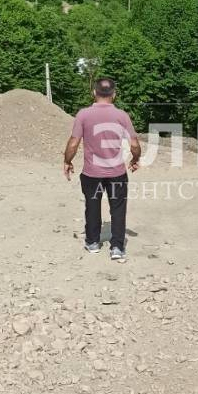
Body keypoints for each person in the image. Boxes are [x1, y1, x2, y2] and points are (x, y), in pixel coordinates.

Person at [63, 77, 141, 262]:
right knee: (118, 209)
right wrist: (135, 158)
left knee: (92, 206)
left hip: (91, 173)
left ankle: (92, 242)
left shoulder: (83, 115)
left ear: (94, 92)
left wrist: (67, 161)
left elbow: (73, 143)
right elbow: (134, 144)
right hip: (117, 173)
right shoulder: (122, 116)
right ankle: (117, 247)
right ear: (114, 94)